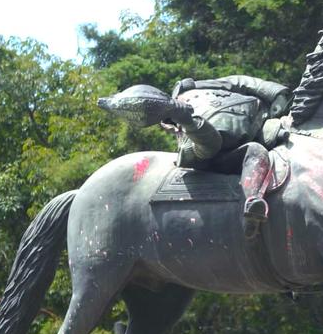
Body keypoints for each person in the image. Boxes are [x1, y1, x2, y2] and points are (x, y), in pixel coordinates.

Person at [98, 75, 291, 238]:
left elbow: (241, 82)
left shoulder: (204, 87)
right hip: (216, 152)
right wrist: (185, 120)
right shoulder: (176, 120)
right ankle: (252, 205)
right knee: (255, 152)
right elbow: (208, 145)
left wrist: (277, 94)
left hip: (262, 124)